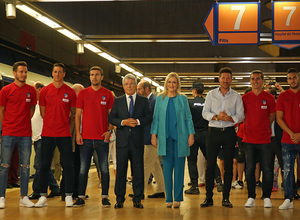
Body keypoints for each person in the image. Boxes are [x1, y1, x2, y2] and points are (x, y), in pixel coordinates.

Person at [201, 67, 244, 208]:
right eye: (223, 78)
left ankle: (226, 198)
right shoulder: (211, 94)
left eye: (228, 78)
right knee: (210, 166)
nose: (225, 80)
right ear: (219, 79)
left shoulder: (236, 96)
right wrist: (216, 116)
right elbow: (204, 112)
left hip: (229, 133)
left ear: (231, 80)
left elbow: (241, 115)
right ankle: (208, 197)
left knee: (228, 167)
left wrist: (230, 118)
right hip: (213, 132)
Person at [35, 63, 76, 208]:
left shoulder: (70, 92)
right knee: (43, 165)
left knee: (68, 165)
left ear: (64, 74)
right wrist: (52, 123)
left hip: (64, 134)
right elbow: (42, 112)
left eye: (60, 72)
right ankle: (42, 196)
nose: (57, 74)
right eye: (55, 72)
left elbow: (73, 113)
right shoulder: (45, 91)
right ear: (52, 73)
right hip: (47, 134)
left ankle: (69, 195)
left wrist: (62, 122)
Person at [151, 72, 194, 208]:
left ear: (177, 84)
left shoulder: (183, 99)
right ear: (166, 84)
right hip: (165, 139)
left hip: (180, 138)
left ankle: (178, 198)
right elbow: (156, 118)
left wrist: (191, 134)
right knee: (167, 169)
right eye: (169, 82)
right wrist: (153, 134)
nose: (171, 85)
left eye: (174, 82)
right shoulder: (160, 99)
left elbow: (188, 117)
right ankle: (168, 198)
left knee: (180, 169)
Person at [73, 66, 114, 207]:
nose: (94, 77)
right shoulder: (83, 93)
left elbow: (112, 116)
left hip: (102, 139)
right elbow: (78, 115)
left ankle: (105, 196)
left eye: (97, 75)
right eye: (91, 75)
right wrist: (78, 133)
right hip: (85, 138)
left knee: (104, 169)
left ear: (102, 77)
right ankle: (80, 197)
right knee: (83, 169)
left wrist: (109, 131)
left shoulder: (108, 94)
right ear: (89, 77)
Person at [110, 73, 151, 209]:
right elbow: (112, 118)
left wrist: (138, 122)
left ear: (135, 84)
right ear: (123, 86)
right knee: (121, 171)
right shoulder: (118, 101)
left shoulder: (143, 101)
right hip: (122, 143)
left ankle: (137, 199)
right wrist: (123, 122)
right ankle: (119, 199)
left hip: (137, 142)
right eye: (126, 84)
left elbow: (148, 118)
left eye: (132, 83)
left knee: (138, 171)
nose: (129, 86)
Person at [0, 61, 37, 209]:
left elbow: (32, 110)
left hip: (25, 135)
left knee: (25, 166)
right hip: (8, 133)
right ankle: (1, 197)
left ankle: (24, 197)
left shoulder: (31, 91)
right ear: (14, 73)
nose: (24, 75)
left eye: (25, 72)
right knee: (4, 166)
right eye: (21, 72)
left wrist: (23, 123)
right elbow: (1, 111)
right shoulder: (5, 90)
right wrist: (6, 126)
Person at [242, 70, 276, 208]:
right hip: (249, 140)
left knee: (267, 169)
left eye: (257, 79)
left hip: (265, 140)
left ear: (262, 81)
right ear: (250, 81)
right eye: (252, 79)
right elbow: (242, 116)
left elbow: (272, 117)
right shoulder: (244, 98)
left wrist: (261, 127)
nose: (255, 81)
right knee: (249, 169)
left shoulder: (269, 98)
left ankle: (267, 196)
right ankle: (251, 197)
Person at [185, 82, 222, 195]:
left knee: (192, 160)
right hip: (207, 133)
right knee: (211, 159)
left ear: (194, 91)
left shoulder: (189, 103)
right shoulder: (208, 102)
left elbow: (186, 119)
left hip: (193, 134)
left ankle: (195, 186)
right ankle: (219, 181)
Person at [29, 82, 61, 200]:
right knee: (44, 166)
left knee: (38, 165)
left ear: (40, 90)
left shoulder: (45, 104)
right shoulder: (34, 104)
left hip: (44, 138)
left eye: (33, 89)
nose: (31, 92)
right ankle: (55, 188)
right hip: (36, 139)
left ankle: (37, 191)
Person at [136, 80, 165, 199]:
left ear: (146, 89)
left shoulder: (154, 101)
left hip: (151, 138)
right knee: (155, 165)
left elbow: (155, 120)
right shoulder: (148, 100)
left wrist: (155, 136)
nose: (137, 91)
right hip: (148, 137)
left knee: (145, 164)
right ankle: (162, 190)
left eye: (139, 89)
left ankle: (140, 192)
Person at [276, 68, 300, 209]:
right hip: (287, 139)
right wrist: (291, 133)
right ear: (287, 80)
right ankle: (288, 199)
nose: (292, 80)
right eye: (290, 78)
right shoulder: (283, 96)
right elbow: (279, 118)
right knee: (288, 170)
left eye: (295, 77)